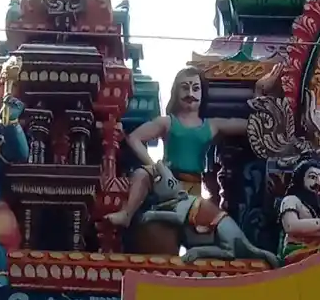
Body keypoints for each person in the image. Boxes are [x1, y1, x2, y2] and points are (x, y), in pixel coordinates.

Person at [106, 67, 248, 233]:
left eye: (196, 88)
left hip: (193, 186)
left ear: (202, 93)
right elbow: (134, 138)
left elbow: (243, 125)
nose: (190, 93)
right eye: (185, 87)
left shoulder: (212, 125)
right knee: (141, 174)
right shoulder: (167, 122)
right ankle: (127, 214)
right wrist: (155, 166)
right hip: (167, 181)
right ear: (176, 91)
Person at [277, 162, 320, 251]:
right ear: (301, 179)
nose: (319, 183)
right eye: (313, 177)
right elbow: (290, 226)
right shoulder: (291, 200)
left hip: (318, 252)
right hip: (297, 251)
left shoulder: (318, 207)